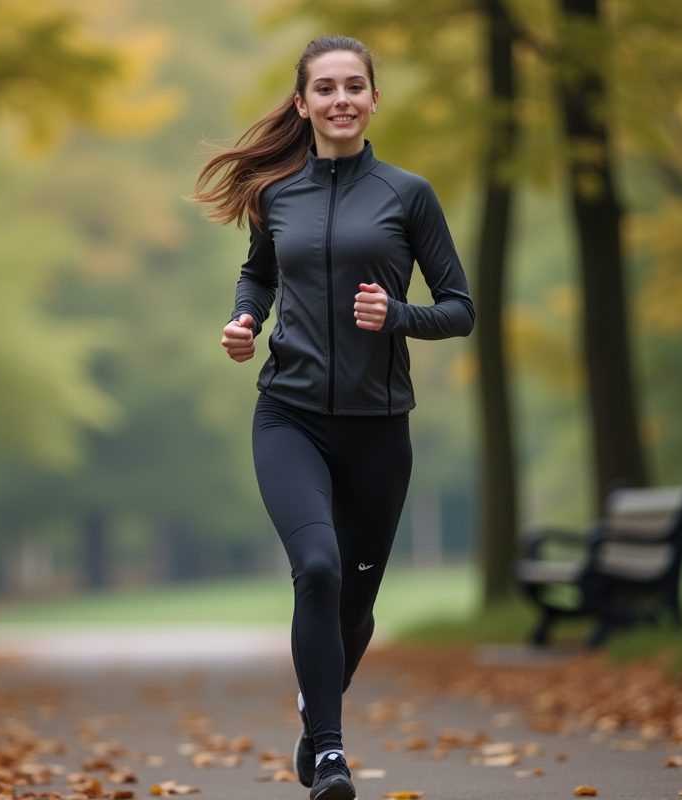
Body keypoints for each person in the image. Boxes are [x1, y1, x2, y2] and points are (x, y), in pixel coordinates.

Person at [191, 35, 474, 800]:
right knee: (314, 570)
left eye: (355, 86)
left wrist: (398, 316)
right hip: (290, 417)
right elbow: (258, 274)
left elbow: (461, 309)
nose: (341, 99)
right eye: (326, 88)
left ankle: (315, 711)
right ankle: (331, 759)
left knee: (354, 608)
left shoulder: (408, 194)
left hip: (379, 428)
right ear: (303, 103)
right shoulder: (277, 194)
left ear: (374, 100)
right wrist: (243, 321)